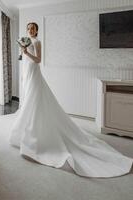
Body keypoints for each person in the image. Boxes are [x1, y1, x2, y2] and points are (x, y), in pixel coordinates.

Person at [9, 22, 132, 178]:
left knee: (35, 99)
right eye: (28, 28)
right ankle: (24, 132)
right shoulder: (26, 41)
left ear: (37, 30)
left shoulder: (37, 42)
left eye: (33, 28)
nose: (30, 30)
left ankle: (34, 135)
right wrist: (23, 56)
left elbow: (38, 60)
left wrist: (26, 52)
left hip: (35, 73)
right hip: (28, 73)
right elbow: (25, 60)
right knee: (29, 100)